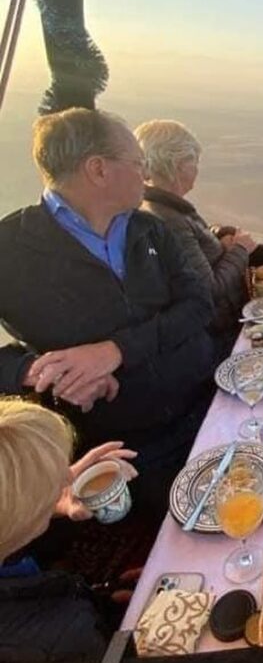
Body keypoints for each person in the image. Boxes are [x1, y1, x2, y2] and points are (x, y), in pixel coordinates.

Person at [0, 109, 216, 518]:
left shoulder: (150, 230)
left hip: (206, 412)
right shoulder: (9, 251)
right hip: (121, 454)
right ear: (98, 170)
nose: (146, 174)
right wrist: (33, 371)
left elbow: (198, 306)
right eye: (138, 164)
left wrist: (115, 351)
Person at [0, 398, 138, 662]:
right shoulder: (57, 636)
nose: (68, 478)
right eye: (55, 476)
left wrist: (104, 599)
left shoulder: (10, 544)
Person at [135, 119, 257, 343]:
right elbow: (207, 291)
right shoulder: (169, 220)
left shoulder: (165, 208)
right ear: (178, 164)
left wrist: (217, 234)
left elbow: (193, 243)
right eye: (194, 162)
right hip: (217, 335)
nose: (197, 170)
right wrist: (241, 249)